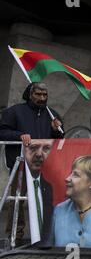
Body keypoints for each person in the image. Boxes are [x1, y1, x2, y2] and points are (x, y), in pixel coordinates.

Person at [0, 82, 64, 243]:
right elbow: (2, 132)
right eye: (38, 94)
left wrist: (56, 131)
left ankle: (47, 234)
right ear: (30, 94)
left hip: (46, 165)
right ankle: (15, 235)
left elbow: (59, 140)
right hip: (21, 165)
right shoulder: (14, 112)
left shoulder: (52, 114)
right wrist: (19, 135)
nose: (42, 98)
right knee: (17, 199)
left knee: (49, 199)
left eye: (45, 95)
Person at [23, 139, 55, 247]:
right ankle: (16, 239)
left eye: (46, 148)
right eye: (33, 148)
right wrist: (19, 136)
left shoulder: (53, 184)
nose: (39, 154)